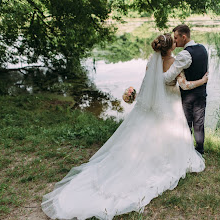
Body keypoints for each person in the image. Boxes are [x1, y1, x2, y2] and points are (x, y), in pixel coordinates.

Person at [41, 33, 207, 220]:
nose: (177, 42)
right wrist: (202, 81)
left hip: (151, 108)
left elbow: (147, 87)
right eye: (174, 41)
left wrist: (134, 95)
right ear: (170, 48)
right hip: (169, 107)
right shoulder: (175, 62)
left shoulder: (150, 64)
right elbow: (184, 85)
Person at [163, 24, 208, 155]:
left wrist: (155, 77)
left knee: (187, 123)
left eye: (176, 38)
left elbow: (169, 77)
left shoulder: (184, 55)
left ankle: (187, 150)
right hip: (202, 93)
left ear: (184, 37)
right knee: (199, 123)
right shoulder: (203, 48)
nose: (175, 41)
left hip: (188, 95)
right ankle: (200, 149)